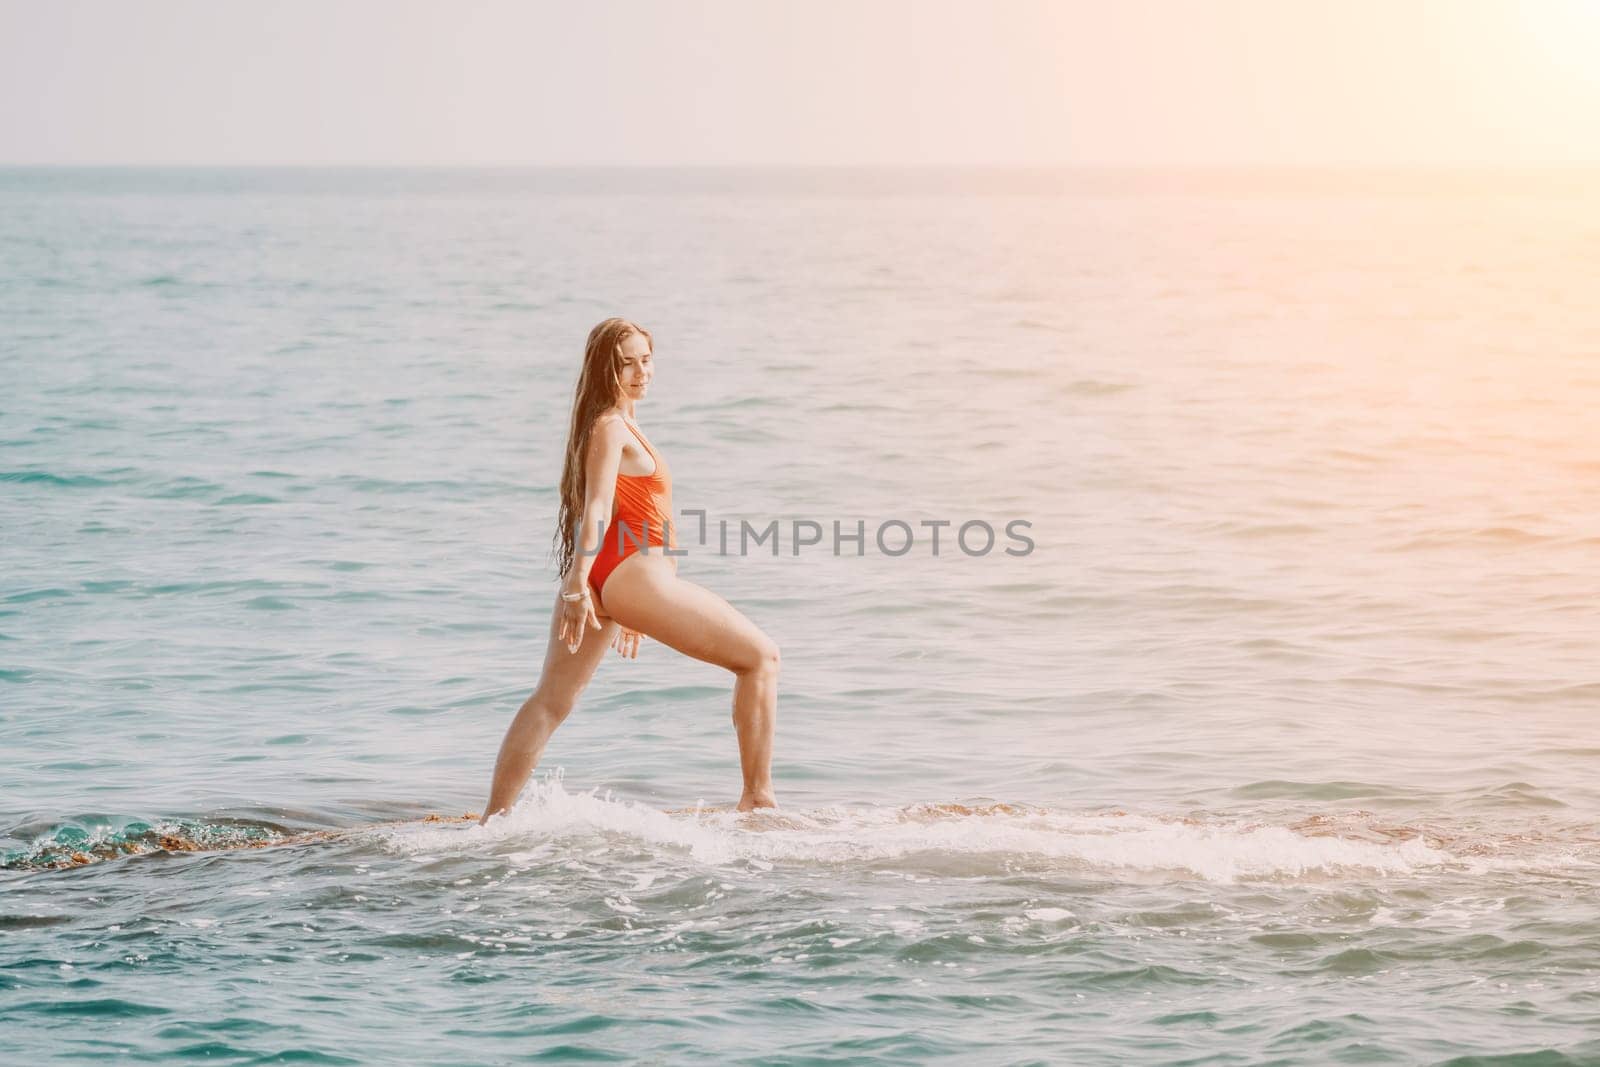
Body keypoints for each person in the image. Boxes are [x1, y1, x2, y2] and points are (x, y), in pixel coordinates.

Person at [480, 318, 780, 822]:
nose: (641, 371)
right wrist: (582, 582)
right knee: (761, 659)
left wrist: (622, 599)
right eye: (627, 363)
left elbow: (621, 511)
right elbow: (597, 508)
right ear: (606, 369)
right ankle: (758, 798)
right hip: (626, 575)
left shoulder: (611, 423)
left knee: (550, 702)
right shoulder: (611, 426)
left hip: (620, 577)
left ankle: (494, 819)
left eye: (646, 359)